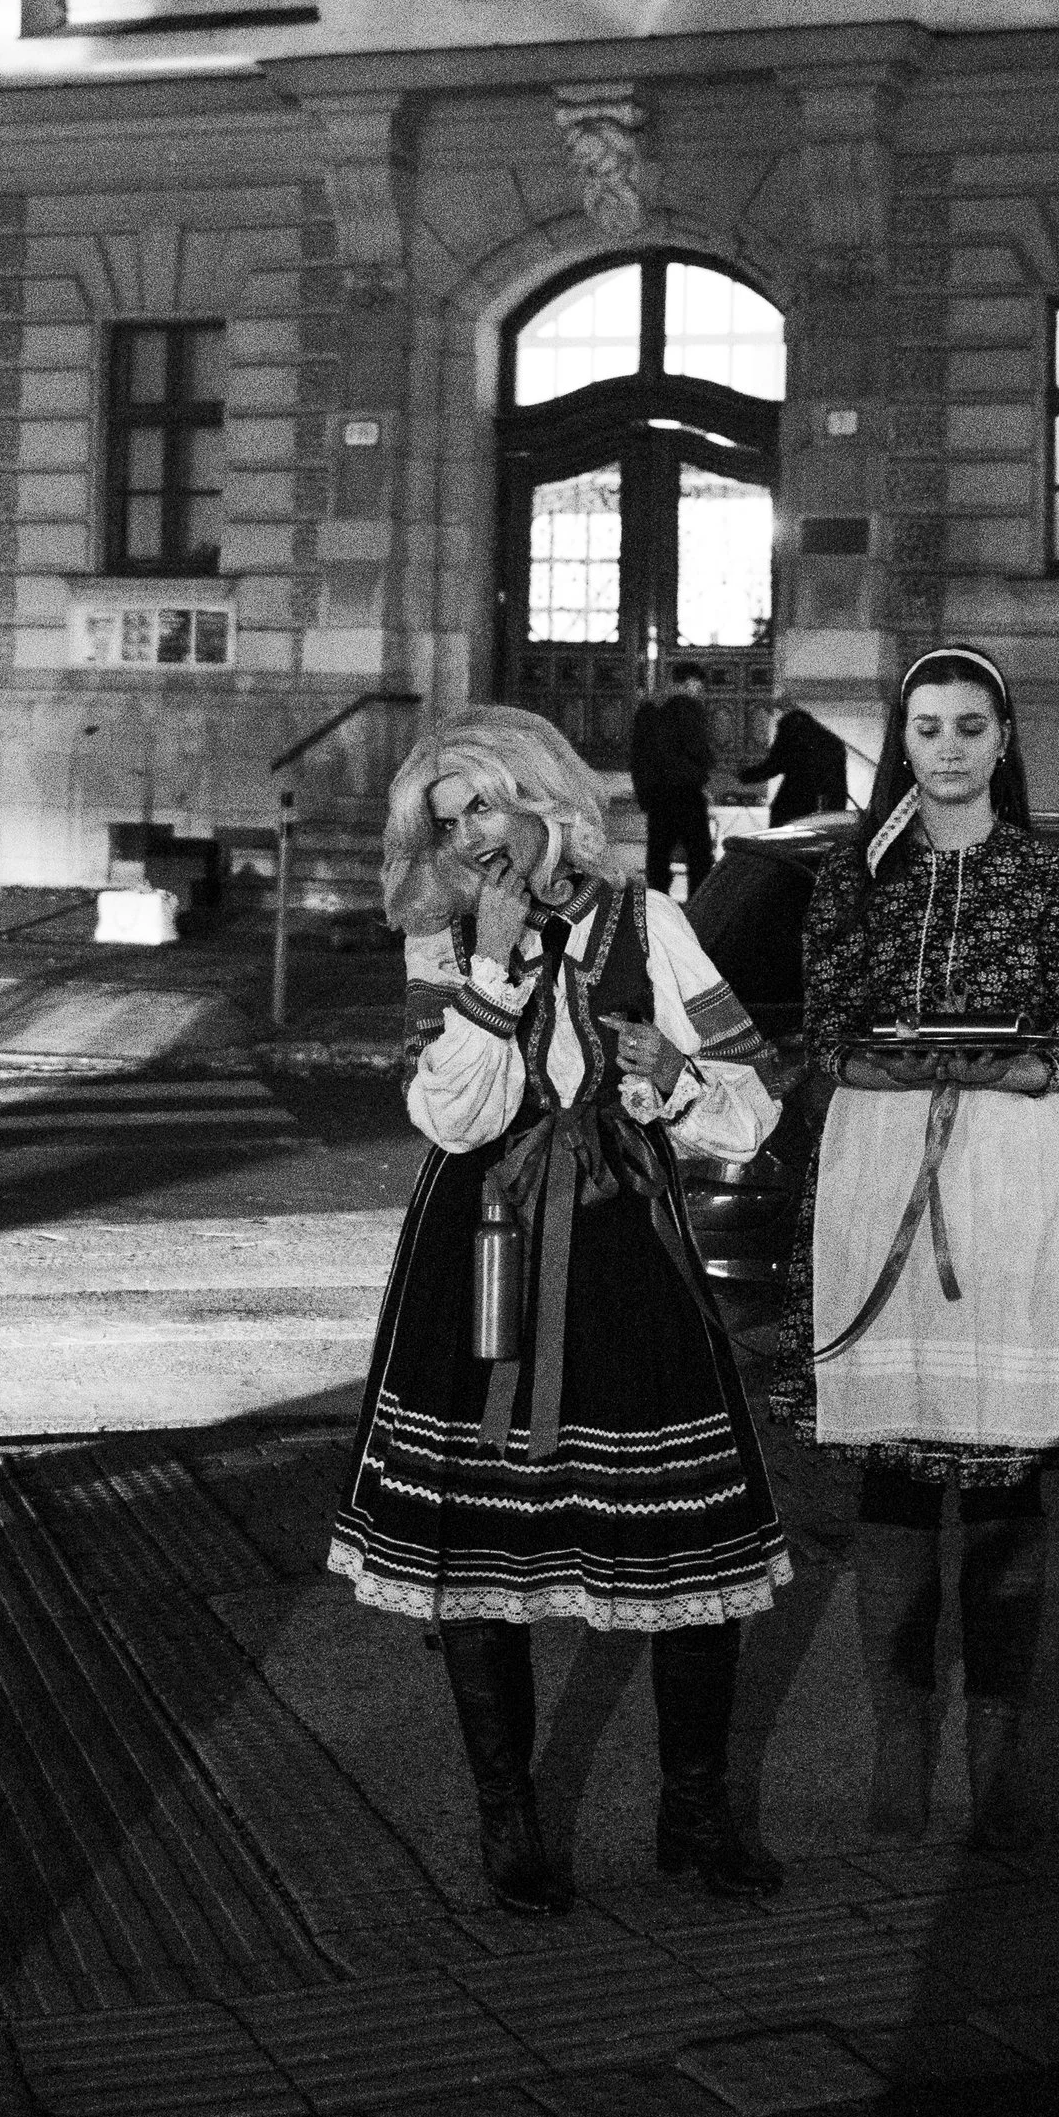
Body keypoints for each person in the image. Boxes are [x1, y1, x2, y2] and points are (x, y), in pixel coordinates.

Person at [329, 705, 792, 1911]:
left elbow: (752, 1104)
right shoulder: (442, 939)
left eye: (484, 803)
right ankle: (510, 1824)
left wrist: (673, 1078)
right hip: (483, 1255)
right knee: (491, 1542)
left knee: (684, 1532)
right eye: (447, 818)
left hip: (628, 1247)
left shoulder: (653, 922)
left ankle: (692, 1810)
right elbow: (453, 1119)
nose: (472, 834)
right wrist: (488, 963)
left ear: (541, 794)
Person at [766, 647, 1059, 1851]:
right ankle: (900, 1744)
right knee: (898, 1465)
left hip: (1013, 1170)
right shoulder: (854, 876)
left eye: (971, 725)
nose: (951, 746)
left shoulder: (1051, 875)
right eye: (927, 727)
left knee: (1005, 1468)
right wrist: (893, 1059)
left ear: (1005, 737)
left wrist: (994, 1068)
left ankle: (999, 1759)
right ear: (900, 742)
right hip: (880, 1163)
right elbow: (824, 1028)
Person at [628, 658, 717, 897]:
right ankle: (698, 910)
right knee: (699, 857)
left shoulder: (648, 711)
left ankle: (657, 907)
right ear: (689, 683)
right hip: (686, 794)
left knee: (658, 857)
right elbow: (698, 749)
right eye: (698, 689)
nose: (699, 695)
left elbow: (639, 757)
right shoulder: (687, 707)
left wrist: (645, 795)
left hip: (658, 797)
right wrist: (705, 771)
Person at [737, 701, 851, 828]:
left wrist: (744, 776)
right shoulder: (833, 743)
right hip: (822, 806)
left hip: (790, 804)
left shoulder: (791, 735)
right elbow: (839, 787)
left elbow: (772, 767)